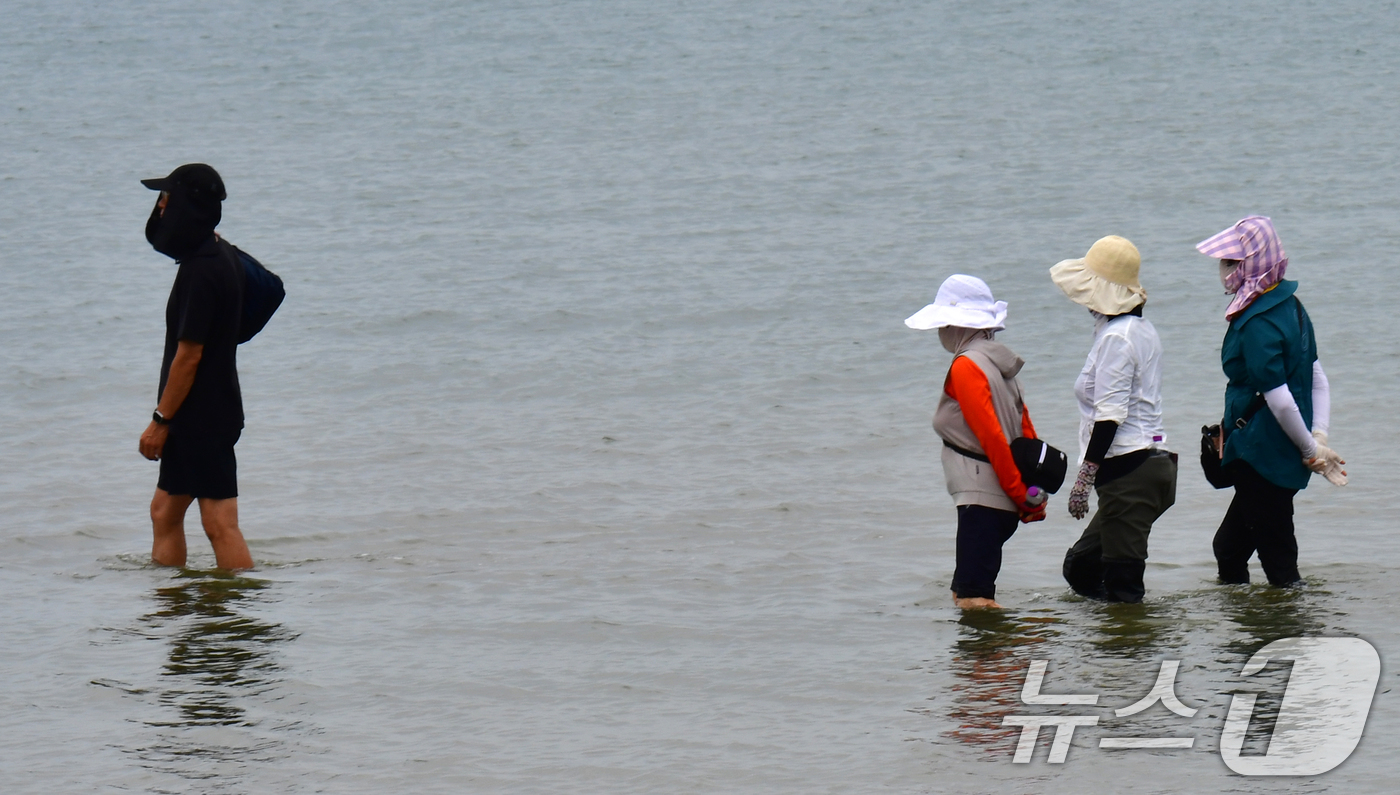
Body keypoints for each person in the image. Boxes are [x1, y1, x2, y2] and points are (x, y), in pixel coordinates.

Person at [1196, 216, 1345, 587]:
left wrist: (1313, 449)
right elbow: (1317, 378)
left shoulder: (1256, 321)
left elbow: (1279, 399)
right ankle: (1248, 633)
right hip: (1278, 451)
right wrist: (1318, 437)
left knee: (1279, 561)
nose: (1224, 270)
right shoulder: (1292, 306)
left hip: (1260, 453)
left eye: (1232, 262)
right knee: (1229, 548)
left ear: (1253, 263)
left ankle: (1285, 637)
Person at [906, 275, 1048, 610]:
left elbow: (992, 437)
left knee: (974, 602)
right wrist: (1030, 494)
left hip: (983, 501)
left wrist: (1019, 494)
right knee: (964, 593)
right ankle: (993, 659)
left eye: (943, 324)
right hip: (997, 503)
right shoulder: (1001, 365)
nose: (940, 332)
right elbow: (1026, 433)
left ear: (956, 326)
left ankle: (1020, 657)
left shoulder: (967, 367)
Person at [138, 163, 254, 570]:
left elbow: (189, 356)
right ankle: (199, 610)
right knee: (169, 512)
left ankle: (201, 612)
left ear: (187, 206)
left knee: (217, 522)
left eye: (167, 199)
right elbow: (268, 291)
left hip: (196, 417)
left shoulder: (200, 270)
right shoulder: (222, 255)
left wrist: (160, 420)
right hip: (216, 412)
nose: (161, 208)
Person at [1050, 235, 1176, 603]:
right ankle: (1117, 649)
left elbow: (1110, 417)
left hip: (1129, 472)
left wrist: (1083, 480)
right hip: (1150, 465)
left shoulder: (1117, 339)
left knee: (1124, 585)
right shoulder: (1140, 330)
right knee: (1081, 567)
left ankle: (1133, 651)